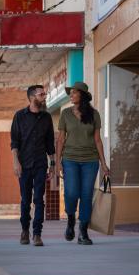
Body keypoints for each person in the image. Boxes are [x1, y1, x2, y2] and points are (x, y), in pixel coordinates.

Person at [56, 81, 109, 245]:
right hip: (70, 159)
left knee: (86, 195)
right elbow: (60, 139)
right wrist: (58, 162)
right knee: (71, 193)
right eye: (70, 93)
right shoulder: (65, 114)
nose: (71, 95)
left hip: (90, 161)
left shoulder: (94, 115)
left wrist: (104, 164)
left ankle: (83, 232)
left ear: (82, 95)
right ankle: (71, 219)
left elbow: (98, 140)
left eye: (74, 93)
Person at [11, 85, 55, 247]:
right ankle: (24, 230)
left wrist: (52, 164)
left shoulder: (47, 118)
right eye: (41, 94)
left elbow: (50, 143)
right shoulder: (19, 116)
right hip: (24, 164)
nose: (45, 96)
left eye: (45, 93)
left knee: (39, 199)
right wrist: (16, 162)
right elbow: (14, 141)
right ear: (31, 97)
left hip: (40, 164)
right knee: (25, 200)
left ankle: (37, 234)